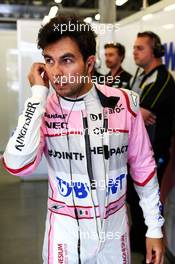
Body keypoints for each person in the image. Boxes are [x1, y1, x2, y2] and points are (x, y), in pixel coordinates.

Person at [3, 16, 164, 264]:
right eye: (49, 61)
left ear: (89, 64)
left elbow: (143, 166)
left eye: (66, 60)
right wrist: (37, 94)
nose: (56, 72)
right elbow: (17, 164)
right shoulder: (42, 107)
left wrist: (154, 228)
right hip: (63, 238)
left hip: (114, 234)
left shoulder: (124, 102)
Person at [127, 31, 175, 257]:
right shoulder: (140, 76)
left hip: (154, 153)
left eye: (140, 48)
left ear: (155, 52)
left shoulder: (163, 79)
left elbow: (135, 113)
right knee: (133, 202)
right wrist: (135, 114)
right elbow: (128, 112)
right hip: (135, 153)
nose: (134, 52)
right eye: (134, 47)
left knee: (147, 203)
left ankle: (150, 250)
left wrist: (134, 114)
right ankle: (138, 247)